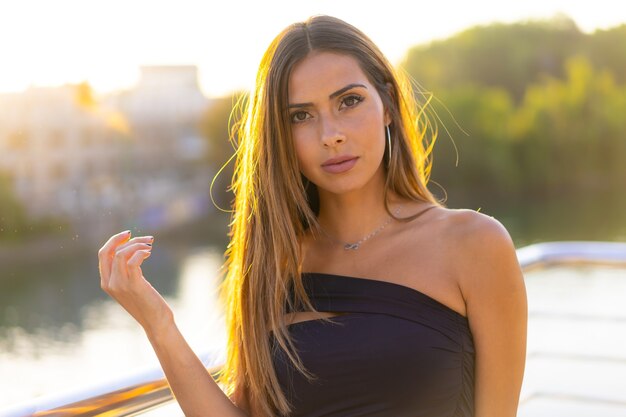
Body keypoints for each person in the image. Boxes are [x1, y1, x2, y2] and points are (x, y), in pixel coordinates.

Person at [98, 15, 527, 417]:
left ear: (389, 106)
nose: (331, 134)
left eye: (349, 101)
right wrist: (159, 324)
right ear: (280, 137)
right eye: (301, 116)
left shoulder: (474, 244)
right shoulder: (274, 261)